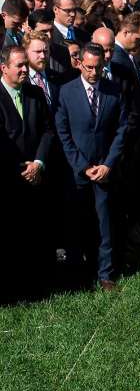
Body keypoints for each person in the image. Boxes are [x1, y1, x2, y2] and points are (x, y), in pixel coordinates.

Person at [54, 43, 130, 291]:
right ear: (79, 64)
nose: (93, 73)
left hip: (105, 170)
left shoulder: (114, 92)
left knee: (105, 222)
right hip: (78, 171)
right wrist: (83, 166)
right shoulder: (66, 92)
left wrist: (108, 164)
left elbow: (121, 130)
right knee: (77, 221)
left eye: (98, 68)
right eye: (88, 68)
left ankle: (106, 273)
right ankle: (79, 272)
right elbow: (63, 133)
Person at [0, 45, 55, 301]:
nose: (25, 69)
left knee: (37, 232)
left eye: (25, 64)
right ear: (4, 68)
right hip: (9, 181)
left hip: (37, 176)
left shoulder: (35, 93)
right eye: (19, 66)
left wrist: (39, 163)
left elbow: (47, 130)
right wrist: (21, 168)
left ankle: (39, 285)